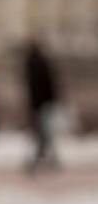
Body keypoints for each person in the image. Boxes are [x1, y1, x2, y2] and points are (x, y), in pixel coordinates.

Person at [22, 40, 61, 173]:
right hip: (43, 103)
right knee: (43, 132)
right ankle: (43, 158)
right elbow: (50, 83)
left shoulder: (32, 63)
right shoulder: (42, 62)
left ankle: (39, 158)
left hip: (38, 104)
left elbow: (36, 86)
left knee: (42, 132)